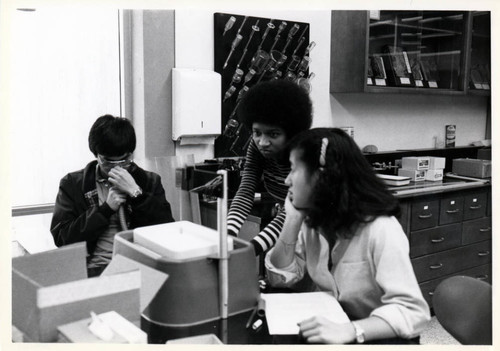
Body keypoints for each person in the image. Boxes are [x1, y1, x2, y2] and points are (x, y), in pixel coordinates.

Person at [265, 128, 430, 344]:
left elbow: (414, 313)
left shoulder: (381, 229)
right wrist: (292, 219)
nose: (287, 180)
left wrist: (353, 330)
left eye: (293, 169)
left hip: (377, 336)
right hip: (337, 328)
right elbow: (280, 279)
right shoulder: (313, 221)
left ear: (320, 177)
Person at [51, 115, 174, 277]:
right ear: (97, 155)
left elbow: (165, 231)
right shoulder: (73, 184)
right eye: (108, 162)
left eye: (124, 161)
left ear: (130, 155)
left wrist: (137, 194)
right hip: (95, 268)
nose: (116, 168)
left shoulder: (150, 181)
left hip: (140, 265)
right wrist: (105, 210)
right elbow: (62, 239)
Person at [227, 79, 313, 255]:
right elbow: (245, 191)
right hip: (287, 215)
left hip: (315, 224)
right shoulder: (256, 146)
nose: (262, 142)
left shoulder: (306, 153)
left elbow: (294, 210)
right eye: (257, 132)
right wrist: (228, 236)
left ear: (292, 133)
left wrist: (253, 248)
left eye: (273, 134)